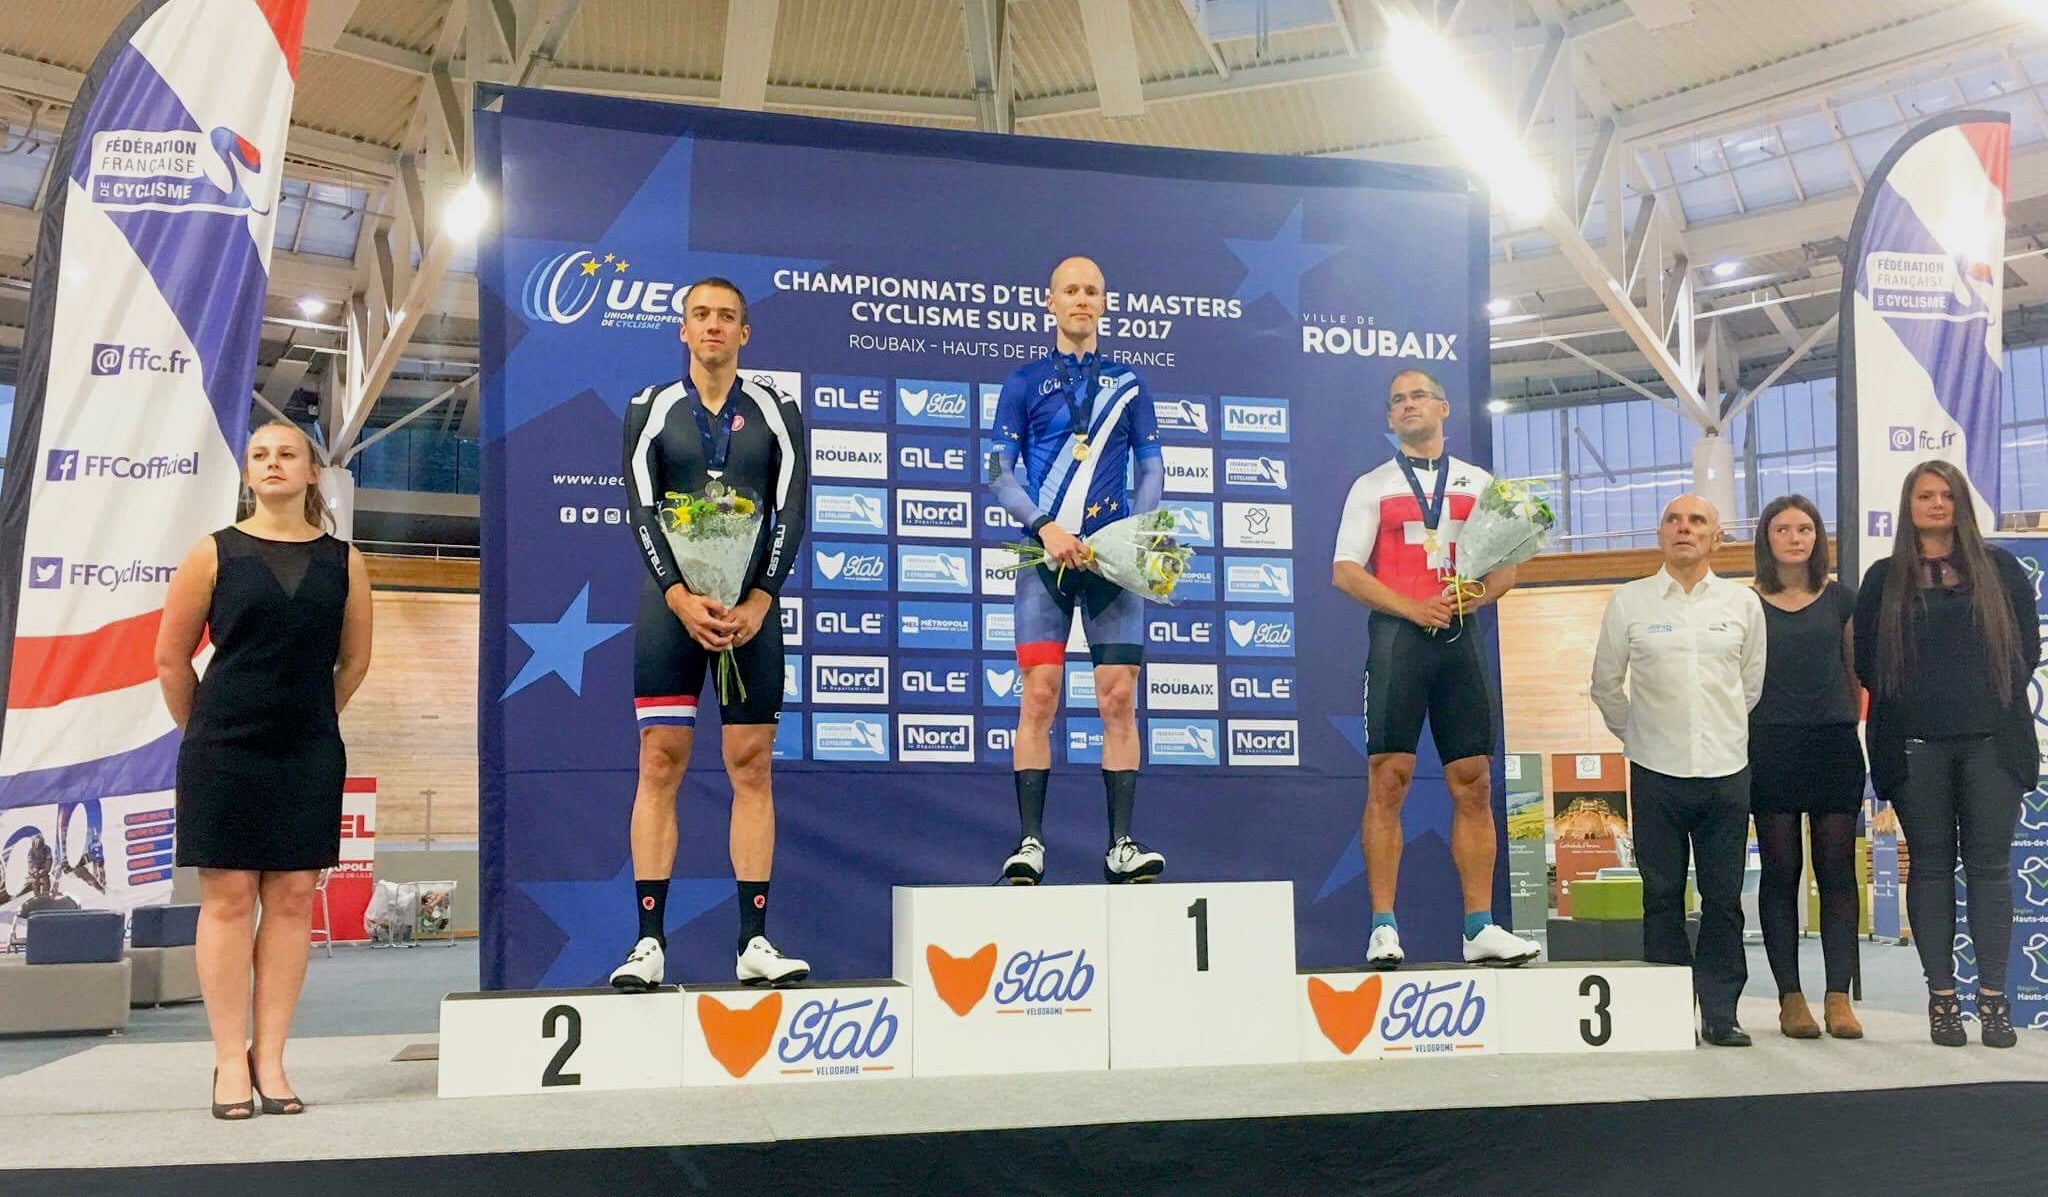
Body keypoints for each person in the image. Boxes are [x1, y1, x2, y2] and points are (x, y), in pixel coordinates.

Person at [156, 420, 373, 1118]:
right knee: (227, 898)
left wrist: (311, 717)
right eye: (260, 454)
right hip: (222, 747)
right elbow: (170, 659)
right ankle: (228, 1059)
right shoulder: (212, 553)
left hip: (307, 748)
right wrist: (204, 732)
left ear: (312, 472)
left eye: (287, 454)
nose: (273, 462)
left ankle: (270, 1057)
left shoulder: (346, 561)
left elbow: (354, 661)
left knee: (291, 899)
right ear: (247, 472)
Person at [608, 278, 811, 991]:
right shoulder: (650, 407)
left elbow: (792, 509)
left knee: (751, 766)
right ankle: (647, 944)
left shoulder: (778, 410)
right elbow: (641, 509)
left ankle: (754, 942)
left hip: (751, 610)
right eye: (701, 315)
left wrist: (759, 598)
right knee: (659, 761)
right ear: (683, 330)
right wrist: (677, 594)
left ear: (744, 333)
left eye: (727, 317)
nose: (714, 326)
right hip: (672, 609)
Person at [1331, 369, 1541, 967]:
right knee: (1389, 779)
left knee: (1473, 782)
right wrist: (1411, 607)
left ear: (1444, 408)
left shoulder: (1481, 483)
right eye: (1397, 400)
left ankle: (1479, 928)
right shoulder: (1371, 485)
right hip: (1399, 639)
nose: (1407, 405)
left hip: (1459, 639)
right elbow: (1345, 571)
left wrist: (1476, 596)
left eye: (1418, 396)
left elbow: (1507, 568)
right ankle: (1382, 926)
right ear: (1389, 418)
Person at [987, 255, 1165, 885]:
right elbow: (998, 472)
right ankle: (1030, 843)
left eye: (1092, 290)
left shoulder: (1129, 383)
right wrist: (1045, 527)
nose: (1082, 299)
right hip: (1045, 558)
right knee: (1039, 695)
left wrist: (1130, 537)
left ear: (1104, 303)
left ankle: (1121, 845)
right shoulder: (1024, 382)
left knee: (1118, 698)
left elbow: (1152, 468)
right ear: (1051, 302)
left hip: (1111, 563)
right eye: (1071, 290)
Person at [1855, 459, 2037, 1049]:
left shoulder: (2000, 569)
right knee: (1931, 869)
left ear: (1961, 503)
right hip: (1915, 750)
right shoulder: (1884, 578)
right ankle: (1942, 1000)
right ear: (1908, 507)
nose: (1936, 504)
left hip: (1993, 746)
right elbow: (1868, 664)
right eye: (1925, 495)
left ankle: (1993, 1001)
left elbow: (2027, 650)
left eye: (1946, 495)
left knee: (1989, 870)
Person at [1590, 493, 1764, 1046]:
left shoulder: (1742, 604)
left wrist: (1718, 732)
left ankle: (1721, 1013)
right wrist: (1639, 735)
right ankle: (1665, 1013)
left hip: (1726, 771)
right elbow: (1605, 685)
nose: (1684, 528)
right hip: (1655, 772)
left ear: (1717, 537)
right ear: (1660, 534)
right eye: (1673, 520)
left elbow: (1750, 687)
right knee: (1661, 897)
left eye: (1697, 521)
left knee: (1724, 899)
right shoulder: (1629, 601)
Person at [1748, 494, 1865, 1040]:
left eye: (1805, 529)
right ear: (1766, 539)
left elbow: (1856, 672)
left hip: (1832, 745)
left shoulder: (1843, 599)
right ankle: (1790, 997)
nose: (1795, 538)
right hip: (1769, 745)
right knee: (1780, 872)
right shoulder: (1746, 603)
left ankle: (1838, 996)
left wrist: (1843, 720)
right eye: (1783, 529)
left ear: (1818, 538)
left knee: (1837, 871)